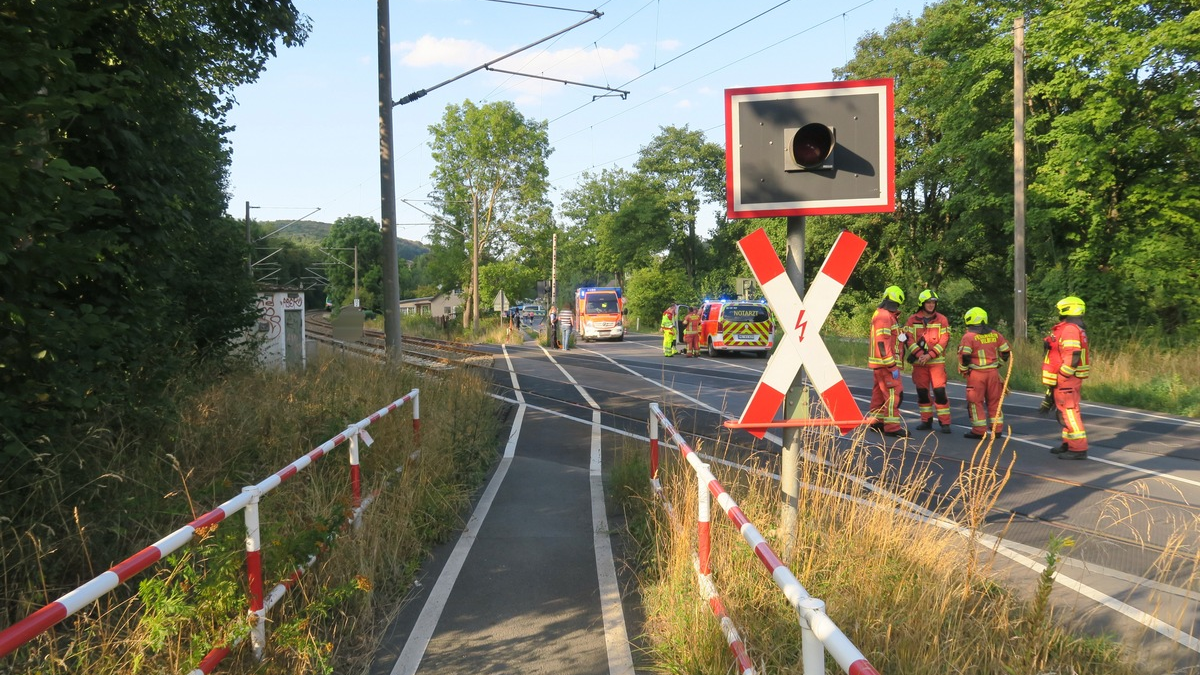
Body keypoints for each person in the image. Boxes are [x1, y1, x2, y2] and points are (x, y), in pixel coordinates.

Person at [1040, 296, 1091, 460]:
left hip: (1066, 379)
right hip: (1067, 378)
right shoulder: (1074, 328)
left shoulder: (1070, 329)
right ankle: (1068, 443)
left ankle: (1078, 449)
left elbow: (1073, 355)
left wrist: (1062, 375)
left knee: (1070, 412)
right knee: (1065, 412)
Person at [956, 307, 1011, 439]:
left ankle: (979, 431)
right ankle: (997, 430)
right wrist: (998, 363)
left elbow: (965, 356)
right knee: (994, 401)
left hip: (977, 375)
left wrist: (964, 369)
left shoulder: (969, 336)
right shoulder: (995, 334)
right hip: (993, 374)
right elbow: (1005, 352)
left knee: (976, 402)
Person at [903, 289, 952, 433]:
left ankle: (945, 423)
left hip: (936, 363)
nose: (931, 305)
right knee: (922, 393)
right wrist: (919, 355)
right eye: (928, 302)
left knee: (940, 393)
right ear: (922, 304)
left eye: (933, 303)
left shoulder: (942, 319)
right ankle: (926, 421)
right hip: (919, 364)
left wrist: (929, 355)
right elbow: (909, 339)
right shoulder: (912, 320)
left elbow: (944, 340)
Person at [869, 286, 908, 437]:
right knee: (894, 395)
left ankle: (876, 422)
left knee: (879, 395)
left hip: (880, 364)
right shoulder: (885, 316)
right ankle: (892, 428)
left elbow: (889, 339)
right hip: (887, 365)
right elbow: (882, 342)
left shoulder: (883, 315)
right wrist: (891, 364)